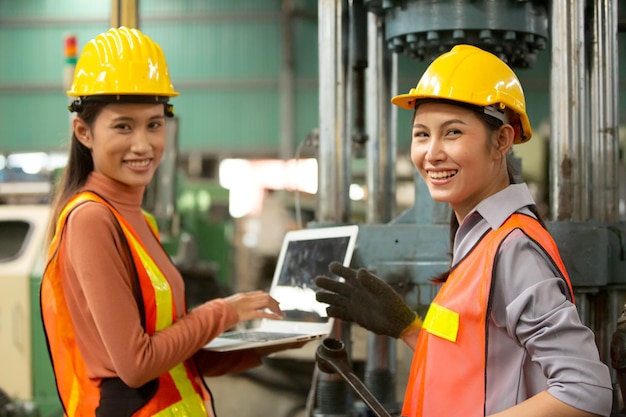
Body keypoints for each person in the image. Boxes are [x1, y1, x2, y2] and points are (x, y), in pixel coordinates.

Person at [315, 44, 613, 417]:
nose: (432, 153)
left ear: (501, 140)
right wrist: (407, 326)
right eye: (422, 134)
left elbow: (586, 390)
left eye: (452, 132)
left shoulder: (513, 247)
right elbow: (479, 361)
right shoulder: (479, 242)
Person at [40, 26, 299, 417]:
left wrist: (277, 342)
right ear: (84, 132)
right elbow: (137, 365)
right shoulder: (91, 219)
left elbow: (174, 357)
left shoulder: (140, 221)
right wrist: (224, 311)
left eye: (154, 124)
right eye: (123, 126)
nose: (143, 144)